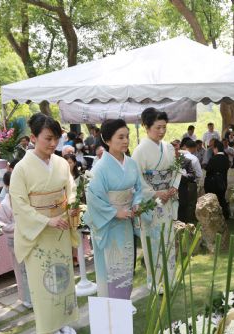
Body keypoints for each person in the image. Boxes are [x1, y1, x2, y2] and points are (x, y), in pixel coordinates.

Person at [10, 113, 79, 334]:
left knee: (63, 276)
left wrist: (70, 207)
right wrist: (46, 221)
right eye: (48, 138)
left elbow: (71, 189)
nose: (53, 144)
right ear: (33, 137)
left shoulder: (60, 163)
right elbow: (18, 203)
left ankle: (64, 319)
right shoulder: (21, 169)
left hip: (60, 227)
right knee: (44, 280)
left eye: (56, 139)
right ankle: (49, 327)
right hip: (39, 232)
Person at [84, 119, 142, 300]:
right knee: (111, 266)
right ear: (107, 140)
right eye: (121, 137)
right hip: (108, 225)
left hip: (126, 222)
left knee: (126, 264)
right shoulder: (100, 168)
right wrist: (116, 212)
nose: (125, 141)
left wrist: (137, 203)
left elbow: (139, 188)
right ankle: (112, 305)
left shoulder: (132, 163)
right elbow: (93, 198)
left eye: (127, 137)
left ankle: (124, 300)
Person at [132, 108, 179, 293]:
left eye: (164, 127)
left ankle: (170, 278)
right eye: (157, 127)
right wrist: (155, 194)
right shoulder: (140, 151)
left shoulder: (168, 147)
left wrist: (173, 187)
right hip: (152, 202)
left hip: (167, 200)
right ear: (146, 126)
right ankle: (156, 281)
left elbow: (176, 171)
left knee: (168, 239)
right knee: (153, 241)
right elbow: (137, 179)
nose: (161, 131)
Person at [0, 171, 32, 309]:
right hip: (15, 240)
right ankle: (25, 298)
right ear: (7, 185)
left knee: (30, 269)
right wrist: (18, 227)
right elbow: (2, 224)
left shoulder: (24, 197)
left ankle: (35, 296)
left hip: (28, 238)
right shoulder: (5, 203)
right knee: (20, 270)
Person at [177, 138, 202, 224]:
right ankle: (188, 222)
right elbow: (199, 174)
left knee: (180, 203)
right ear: (193, 148)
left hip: (178, 184)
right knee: (190, 203)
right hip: (191, 183)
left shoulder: (179, 156)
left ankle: (180, 221)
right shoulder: (194, 158)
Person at [204, 139, 230, 219]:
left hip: (213, 183)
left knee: (212, 200)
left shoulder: (213, 159)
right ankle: (225, 215)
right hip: (223, 182)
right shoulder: (226, 159)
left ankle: (212, 216)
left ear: (216, 148)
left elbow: (208, 169)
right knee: (221, 199)